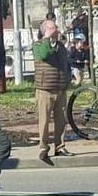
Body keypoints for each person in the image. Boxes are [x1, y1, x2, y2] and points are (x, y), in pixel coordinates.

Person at [32, 20, 73, 166]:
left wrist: (68, 78)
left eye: (55, 27)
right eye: (51, 28)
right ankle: (43, 148)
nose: (55, 29)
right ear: (44, 31)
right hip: (45, 89)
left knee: (61, 120)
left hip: (60, 88)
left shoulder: (61, 46)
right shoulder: (38, 45)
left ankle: (60, 147)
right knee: (44, 121)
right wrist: (47, 40)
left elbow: (65, 63)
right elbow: (43, 55)